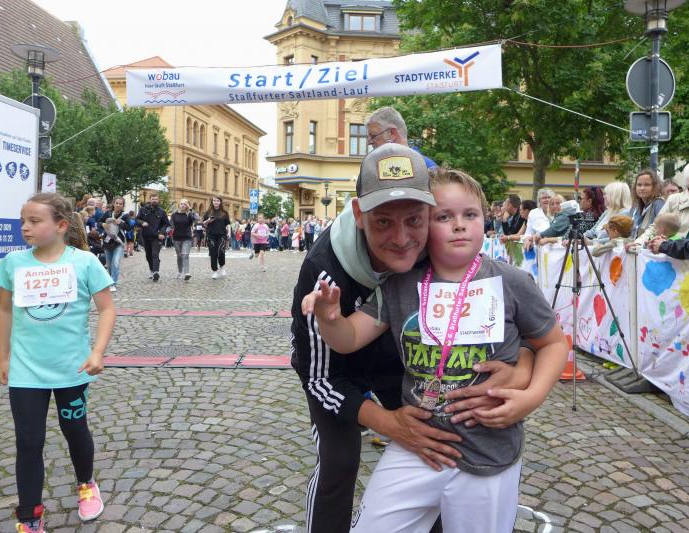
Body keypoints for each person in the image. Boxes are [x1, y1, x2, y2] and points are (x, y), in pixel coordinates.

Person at [290, 144, 541, 533]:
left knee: (436, 446)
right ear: (359, 214)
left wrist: (521, 369)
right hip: (338, 368)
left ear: (429, 214)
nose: (402, 238)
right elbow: (320, 376)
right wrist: (388, 423)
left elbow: (522, 325)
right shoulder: (325, 270)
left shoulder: (438, 248)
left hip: (411, 365)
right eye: (382, 222)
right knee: (339, 460)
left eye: (415, 220)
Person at [0, 193, 116, 533]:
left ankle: (86, 483)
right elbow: (4, 310)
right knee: (28, 441)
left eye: (34, 221)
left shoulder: (84, 263)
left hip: (71, 369)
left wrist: (97, 352)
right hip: (26, 371)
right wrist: (3, 357)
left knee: (75, 430)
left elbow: (107, 309)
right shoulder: (13, 262)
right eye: (23, 221)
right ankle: (30, 516)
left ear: (61, 226)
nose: (25, 227)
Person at [630, 161, 689, 249]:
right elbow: (656, 227)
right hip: (676, 253)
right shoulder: (674, 200)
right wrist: (638, 243)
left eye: (647, 185)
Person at [365, 106, 437, 168]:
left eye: (373, 136)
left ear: (392, 133)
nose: (369, 142)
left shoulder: (427, 168)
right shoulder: (375, 167)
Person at [97, 197, 129, 292]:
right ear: (113, 204)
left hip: (118, 242)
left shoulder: (125, 216)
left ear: (123, 205)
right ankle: (110, 280)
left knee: (115, 262)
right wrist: (103, 224)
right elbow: (98, 222)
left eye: (120, 204)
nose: (118, 205)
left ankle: (112, 283)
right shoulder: (107, 213)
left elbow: (129, 227)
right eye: (117, 203)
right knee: (110, 265)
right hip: (107, 241)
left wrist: (121, 223)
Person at [136, 193, 170, 281]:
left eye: (156, 199)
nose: (154, 200)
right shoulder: (143, 210)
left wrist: (162, 233)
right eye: (153, 199)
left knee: (155, 254)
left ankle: (156, 272)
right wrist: (142, 223)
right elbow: (137, 219)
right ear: (150, 199)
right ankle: (151, 270)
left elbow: (166, 224)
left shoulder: (162, 211)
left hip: (157, 236)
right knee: (148, 255)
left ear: (158, 200)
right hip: (146, 235)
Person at [630, 169, 665, 239]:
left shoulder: (659, 203)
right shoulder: (636, 206)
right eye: (639, 185)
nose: (642, 188)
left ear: (655, 187)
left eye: (647, 185)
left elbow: (659, 229)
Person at [203, 196, 231, 279]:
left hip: (222, 235)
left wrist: (229, 232)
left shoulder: (224, 213)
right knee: (213, 253)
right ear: (212, 202)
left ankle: (222, 266)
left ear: (220, 202)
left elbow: (228, 223)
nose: (215, 202)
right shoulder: (208, 212)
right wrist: (208, 221)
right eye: (214, 200)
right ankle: (215, 271)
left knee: (221, 252)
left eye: (217, 200)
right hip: (211, 235)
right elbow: (204, 224)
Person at [170, 199, 198, 281]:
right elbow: (171, 224)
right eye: (181, 204)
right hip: (176, 238)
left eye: (185, 204)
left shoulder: (189, 214)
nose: (183, 205)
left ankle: (186, 273)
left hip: (187, 238)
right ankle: (180, 271)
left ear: (187, 206)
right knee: (179, 256)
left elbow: (197, 219)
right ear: (179, 205)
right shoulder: (174, 215)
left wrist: (190, 210)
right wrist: (169, 230)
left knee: (185, 255)